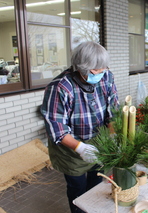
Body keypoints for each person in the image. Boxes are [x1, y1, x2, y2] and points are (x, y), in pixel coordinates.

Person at [40, 41, 119, 213]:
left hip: (99, 141)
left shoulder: (106, 76)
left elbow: (113, 110)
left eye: (103, 68)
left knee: (96, 184)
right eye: (95, 70)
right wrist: (81, 148)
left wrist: (112, 136)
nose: (100, 73)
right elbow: (57, 130)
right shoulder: (60, 87)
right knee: (77, 189)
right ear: (81, 68)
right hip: (71, 148)